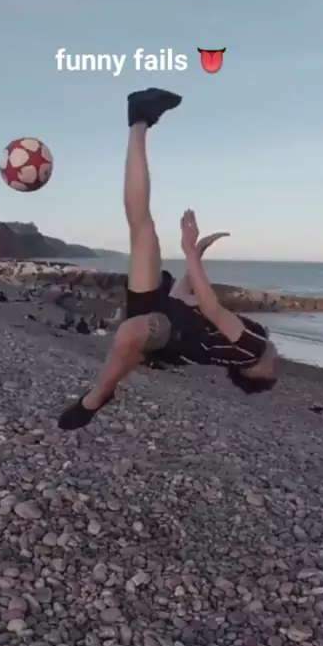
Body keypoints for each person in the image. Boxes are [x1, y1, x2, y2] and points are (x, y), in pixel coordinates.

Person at [58, 88, 278, 431]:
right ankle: (139, 119)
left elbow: (212, 309)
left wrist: (190, 250)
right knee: (141, 224)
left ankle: (97, 396)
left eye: (271, 372)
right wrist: (196, 257)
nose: (276, 364)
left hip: (169, 334)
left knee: (130, 332)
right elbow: (183, 301)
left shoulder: (252, 348)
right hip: (167, 313)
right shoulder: (237, 341)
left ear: (251, 371)